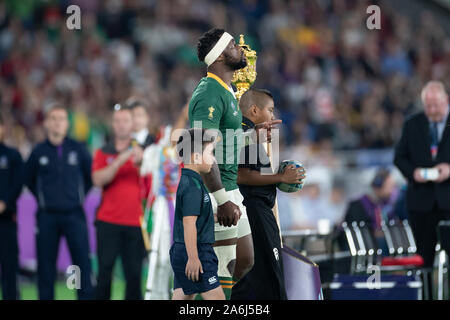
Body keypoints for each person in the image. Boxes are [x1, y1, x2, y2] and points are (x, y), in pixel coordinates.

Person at [189, 28, 280, 296]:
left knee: (245, 260)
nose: (239, 48)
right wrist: (221, 200)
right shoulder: (208, 94)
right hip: (215, 191)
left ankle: (190, 290)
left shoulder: (226, 90)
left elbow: (224, 144)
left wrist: (253, 135)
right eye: (231, 45)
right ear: (218, 57)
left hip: (230, 188)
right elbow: (201, 154)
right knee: (223, 267)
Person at [230, 88, 305, 300]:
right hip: (255, 212)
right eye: (270, 110)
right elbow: (240, 174)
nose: (273, 116)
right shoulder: (246, 134)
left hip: (253, 211)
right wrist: (280, 178)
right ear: (254, 110)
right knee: (271, 280)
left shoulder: (249, 133)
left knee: (250, 281)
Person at [24, 104, 93, 300]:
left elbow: (90, 179)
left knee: (80, 267)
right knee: (46, 269)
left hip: (74, 215)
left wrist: (77, 197)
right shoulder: (38, 151)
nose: (57, 123)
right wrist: (43, 199)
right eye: (53, 118)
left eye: (61, 119)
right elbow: (28, 179)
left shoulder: (78, 149)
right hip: (47, 217)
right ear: (46, 123)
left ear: (67, 124)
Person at [394, 80, 450, 297]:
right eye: (428, 105)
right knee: (423, 260)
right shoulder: (412, 124)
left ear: (446, 100)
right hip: (421, 202)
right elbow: (399, 157)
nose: (433, 110)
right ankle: (425, 296)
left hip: (448, 201)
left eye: (436, 104)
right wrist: (413, 173)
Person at [92, 104, 146, 300]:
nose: (121, 125)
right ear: (112, 125)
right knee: (104, 274)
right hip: (108, 221)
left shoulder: (143, 152)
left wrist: (141, 163)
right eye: (117, 121)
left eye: (125, 121)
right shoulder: (103, 152)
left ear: (132, 124)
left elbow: (152, 183)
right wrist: (120, 160)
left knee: (134, 276)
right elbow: (98, 180)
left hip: (135, 222)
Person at [170, 128, 225, 300]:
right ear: (196, 157)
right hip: (196, 251)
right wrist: (193, 258)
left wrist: (215, 219)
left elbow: (194, 218)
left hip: (183, 249)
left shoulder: (191, 182)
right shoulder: (192, 187)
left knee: (182, 296)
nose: (213, 158)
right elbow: (188, 223)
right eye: (211, 152)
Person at [340, 167, 403, 254]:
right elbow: (358, 232)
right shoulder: (358, 205)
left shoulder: (384, 205)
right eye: (390, 187)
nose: (392, 191)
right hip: (359, 247)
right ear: (377, 186)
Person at [0, 114, 24, 300]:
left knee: (9, 268)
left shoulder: (12, 155)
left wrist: (5, 203)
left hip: (6, 220)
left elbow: (18, 183)